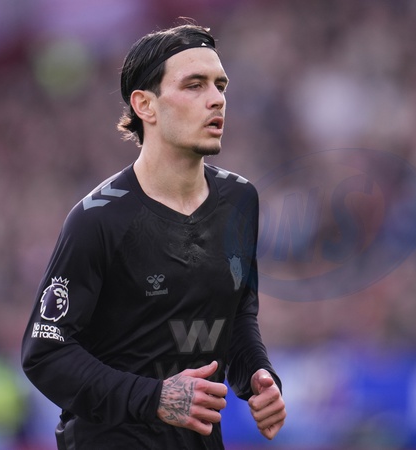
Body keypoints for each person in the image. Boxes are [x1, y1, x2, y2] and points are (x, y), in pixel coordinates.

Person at [21, 22, 286, 449]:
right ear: (145, 105)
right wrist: (153, 398)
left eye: (220, 85)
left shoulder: (240, 201)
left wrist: (256, 374)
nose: (216, 99)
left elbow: (236, 316)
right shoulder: (98, 219)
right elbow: (45, 354)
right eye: (194, 85)